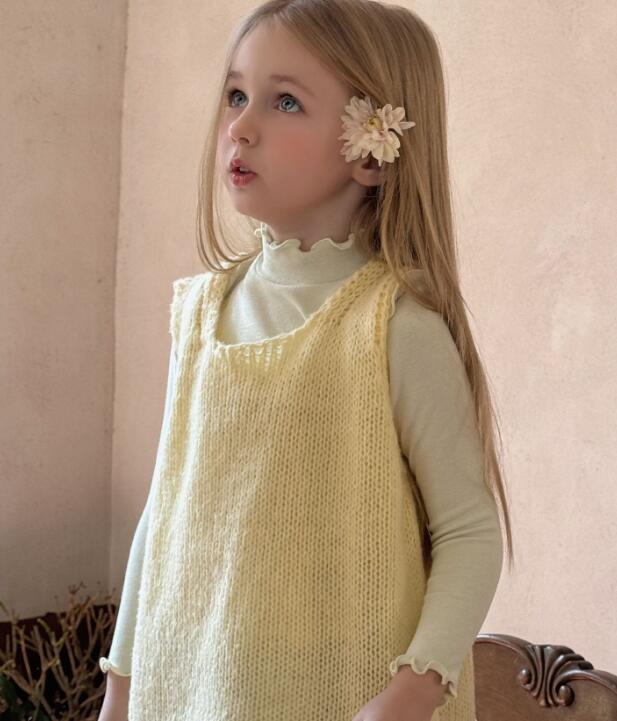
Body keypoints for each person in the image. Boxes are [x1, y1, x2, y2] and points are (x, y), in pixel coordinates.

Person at [98, 2, 513, 720]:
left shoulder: (391, 327)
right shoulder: (196, 315)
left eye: (284, 101)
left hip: (340, 697)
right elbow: (164, 515)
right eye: (236, 94)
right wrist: (120, 689)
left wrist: (413, 690)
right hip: (190, 692)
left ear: (370, 151)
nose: (241, 126)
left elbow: (469, 531)